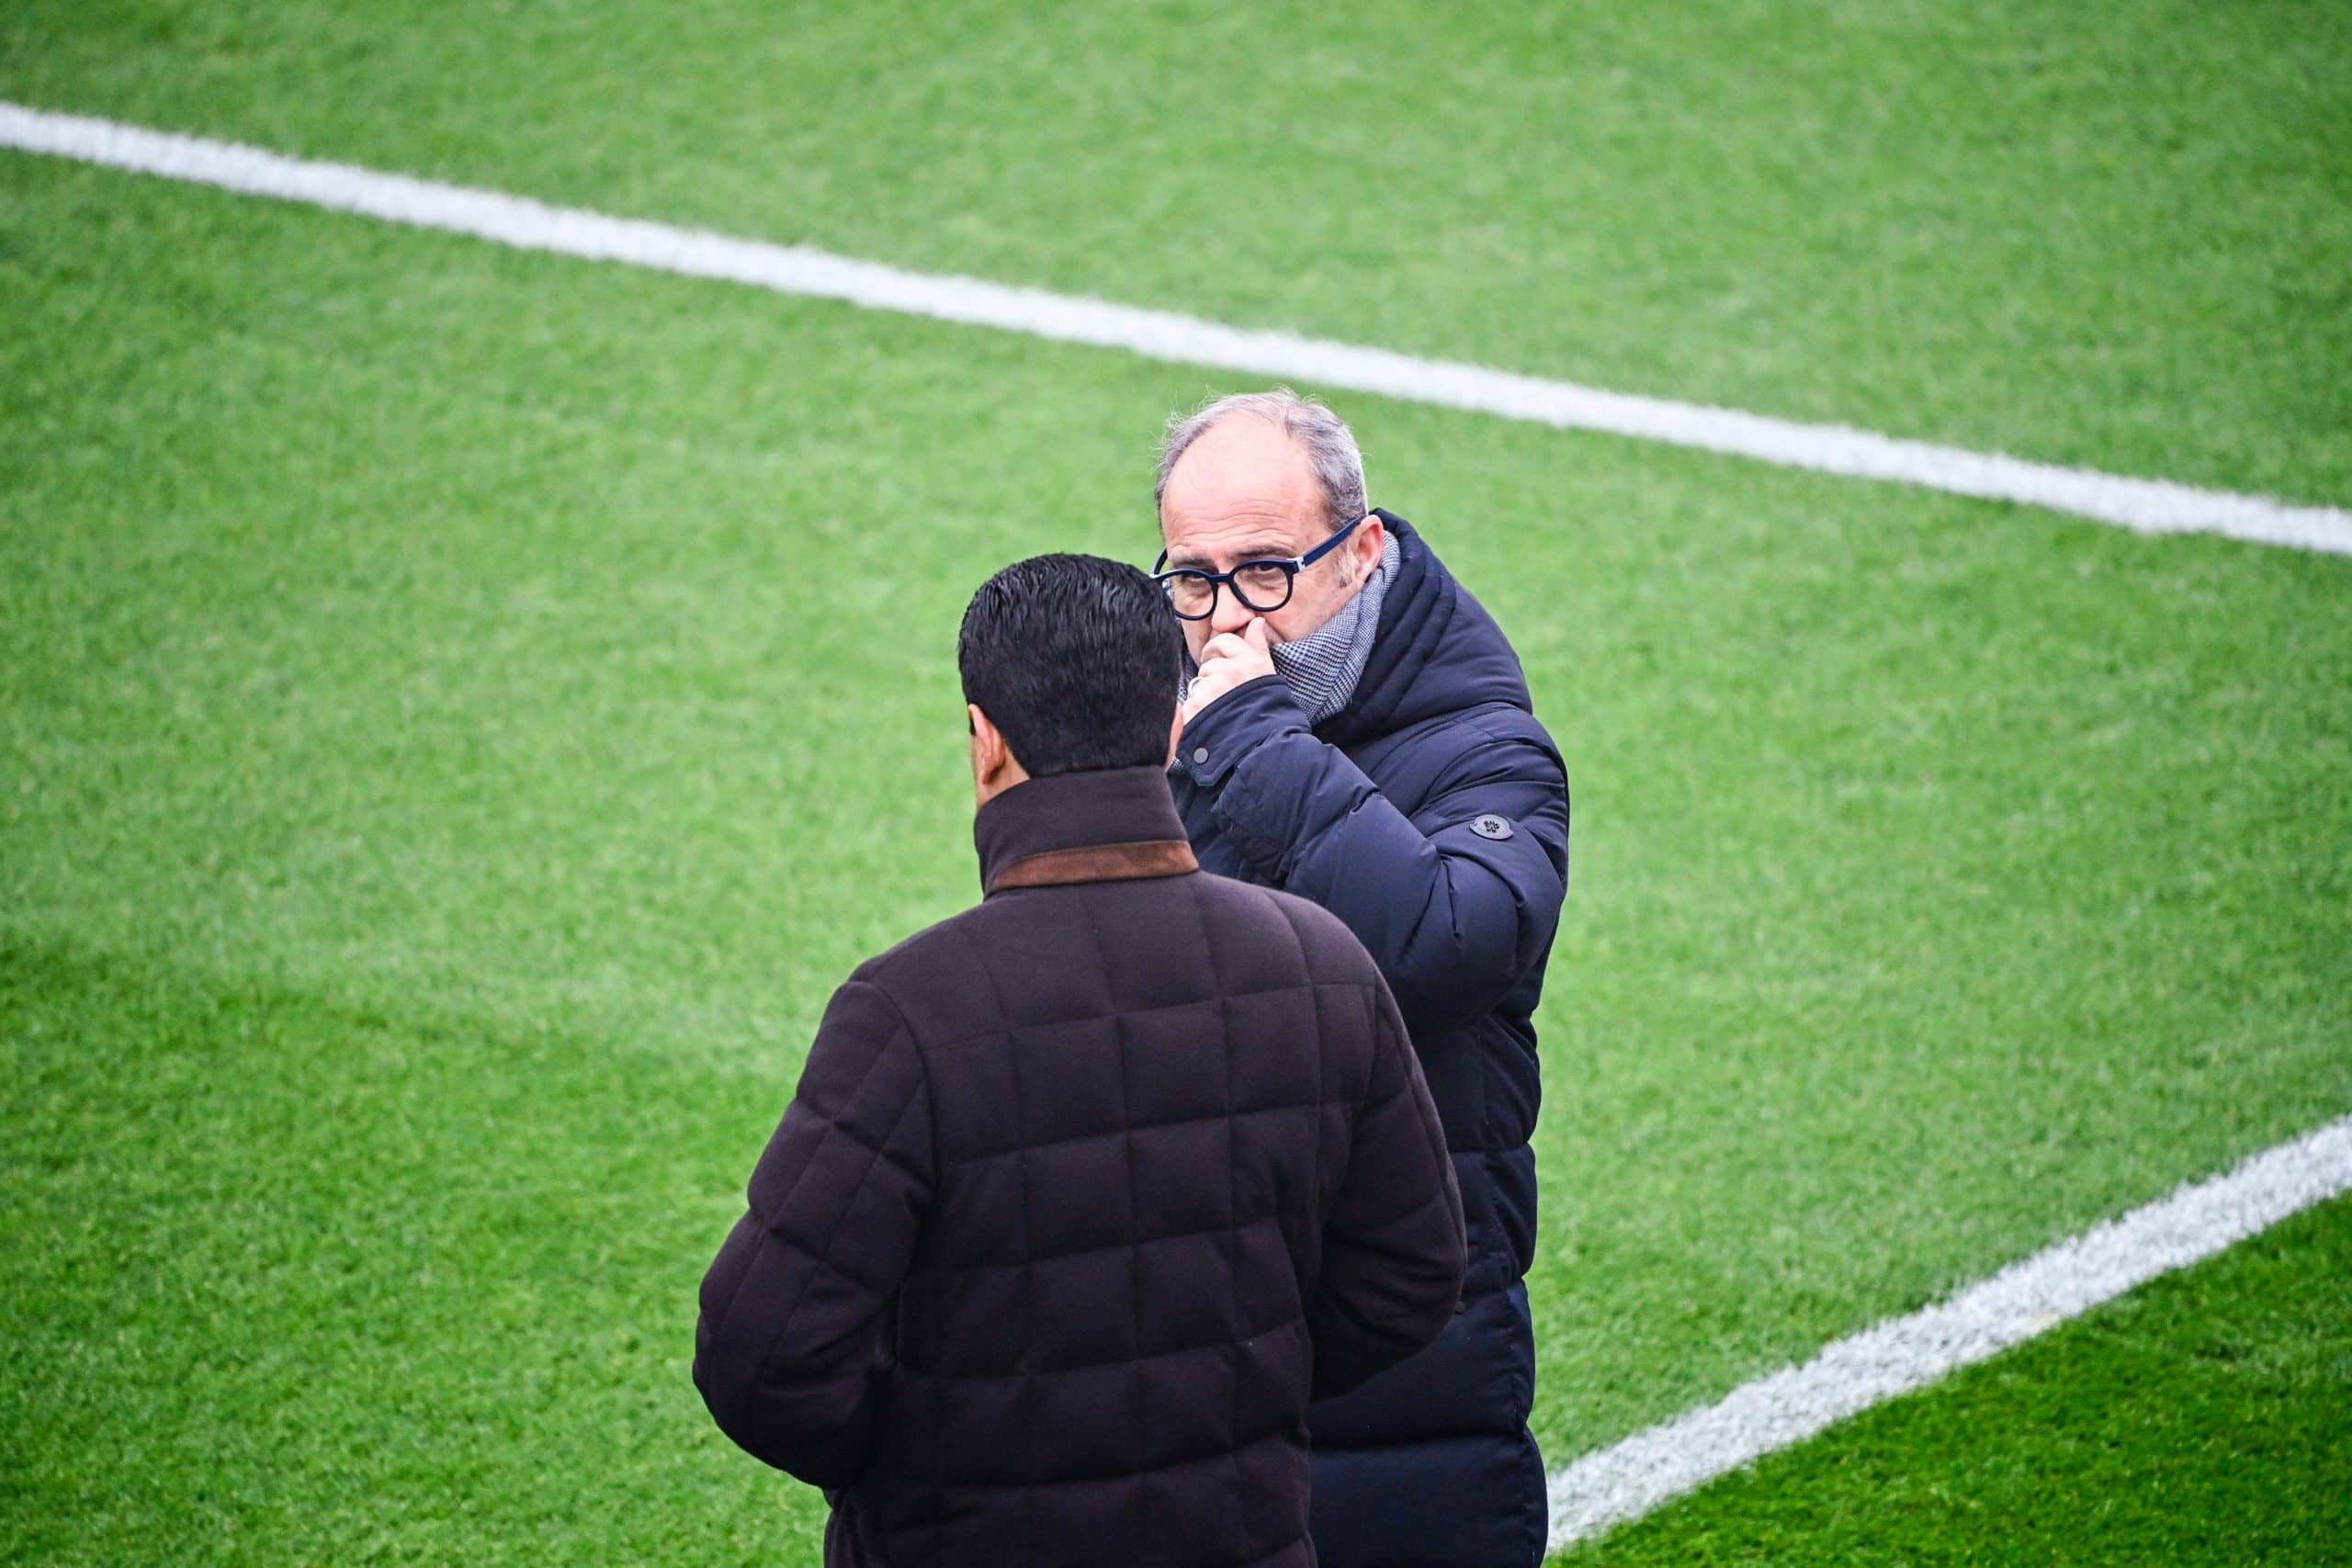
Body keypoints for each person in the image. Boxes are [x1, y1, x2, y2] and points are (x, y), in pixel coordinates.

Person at [693, 553, 1466, 1567]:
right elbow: (1411, 1274)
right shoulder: (1320, 965)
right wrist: (1230, 1391)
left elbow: (761, 1357)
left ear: (984, 743)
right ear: (1169, 722)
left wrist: (926, 1456)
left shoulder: (908, 1011)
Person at [1155, 391, 1571, 1568]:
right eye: (1195, 578)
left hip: (1406, 1364)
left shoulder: (1489, 750)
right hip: (1198, 1326)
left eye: (1267, 570)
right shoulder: (1183, 717)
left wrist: (1253, 738)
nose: (1229, 614)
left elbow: (1438, 949)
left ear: (1364, 551)